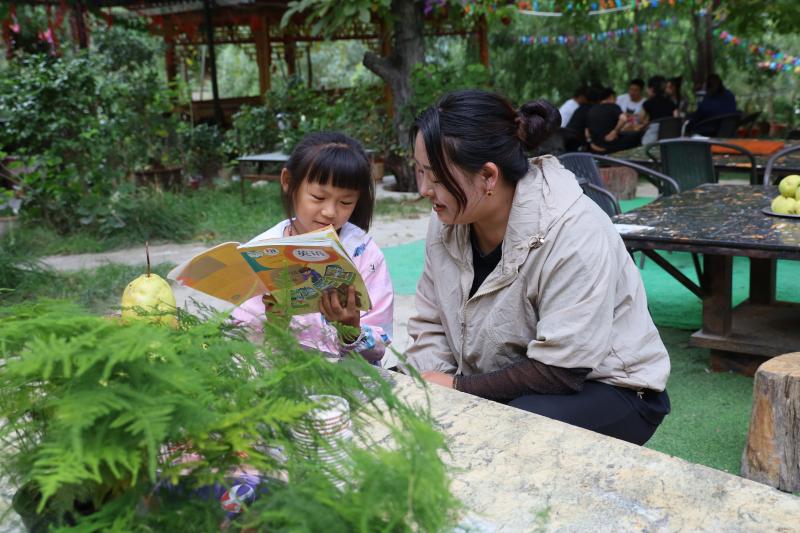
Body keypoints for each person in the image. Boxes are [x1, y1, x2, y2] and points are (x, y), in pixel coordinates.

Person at [404, 89, 671, 445]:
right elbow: (431, 323)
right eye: (419, 171)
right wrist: (434, 386)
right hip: (502, 382)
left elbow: (563, 370)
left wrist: (457, 388)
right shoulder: (446, 220)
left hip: (610, 387)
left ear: (488, 176)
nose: (424, 189)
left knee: (518, 424)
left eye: (436, 177)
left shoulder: (573, 230)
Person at [231, 131, 394, 365]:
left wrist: (351, 330)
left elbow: (379, 345)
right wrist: (275, 324)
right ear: (288, 182)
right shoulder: (263, 251)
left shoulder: (365, 254)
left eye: (345, 202)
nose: (330, 212)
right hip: (283, 373)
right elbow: (243, 336)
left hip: (349, 377)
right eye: (318, 197)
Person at [586, 87, 641, 154]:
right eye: (615, 98)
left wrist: (591, 142)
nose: (616, 101)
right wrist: (615, 131)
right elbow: (623, 119)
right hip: (609, 146)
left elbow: (587, 131)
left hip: (595, 148)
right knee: (636, 135)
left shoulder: (592, 109)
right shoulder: (613, 106)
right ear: (611, 96)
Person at [640, 75, 677, 145]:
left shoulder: (647, 103)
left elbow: (641, 119)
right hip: (670, 134)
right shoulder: (671, 103)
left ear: (651, 89)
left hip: (653, 135)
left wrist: (646, 124)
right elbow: (676, 117)